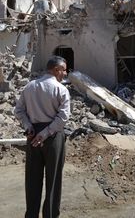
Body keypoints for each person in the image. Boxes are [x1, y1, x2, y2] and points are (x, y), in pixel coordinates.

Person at [14, 56, 70, 218]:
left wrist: (29, 127)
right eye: (64, 70)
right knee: (53, 181)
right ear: (56, 70)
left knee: (32, 179)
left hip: (32, 137)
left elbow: (19, 111)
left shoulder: (29, 87)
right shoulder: (61, 90)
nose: (65, 73)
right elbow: (63, 117)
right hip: (53, 137)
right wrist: (45, 134)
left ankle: (31, 215)